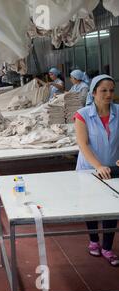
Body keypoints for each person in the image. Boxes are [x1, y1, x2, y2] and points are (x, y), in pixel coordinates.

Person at [74, 74, 119, 266]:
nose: (108, 94)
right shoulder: (83, 114)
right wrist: (98, 166)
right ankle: (93, 241)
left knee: (112, 208)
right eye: (103, 90)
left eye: (111, 90)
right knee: (90, 206)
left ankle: (108, 247)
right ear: (93, 93)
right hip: (89, 168)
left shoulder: (118, 111)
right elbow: (83, 144)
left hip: (113, 168)